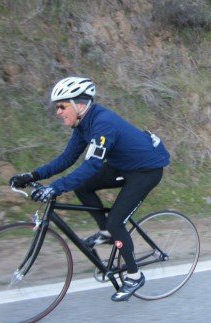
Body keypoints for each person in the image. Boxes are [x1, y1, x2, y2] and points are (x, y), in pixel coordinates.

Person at [9, 77, 170, 302]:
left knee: (116, 222)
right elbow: (67, 158)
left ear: (80, 105)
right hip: (123, 165)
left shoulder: (103, 123)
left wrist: (54, 188)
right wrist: (32, 175)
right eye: (57, 107)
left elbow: (92, 165)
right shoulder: (83, 125)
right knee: (84, 187)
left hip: (146, 171)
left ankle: (134, 275)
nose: (58, 112)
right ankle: (107, 233)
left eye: (62, 106)